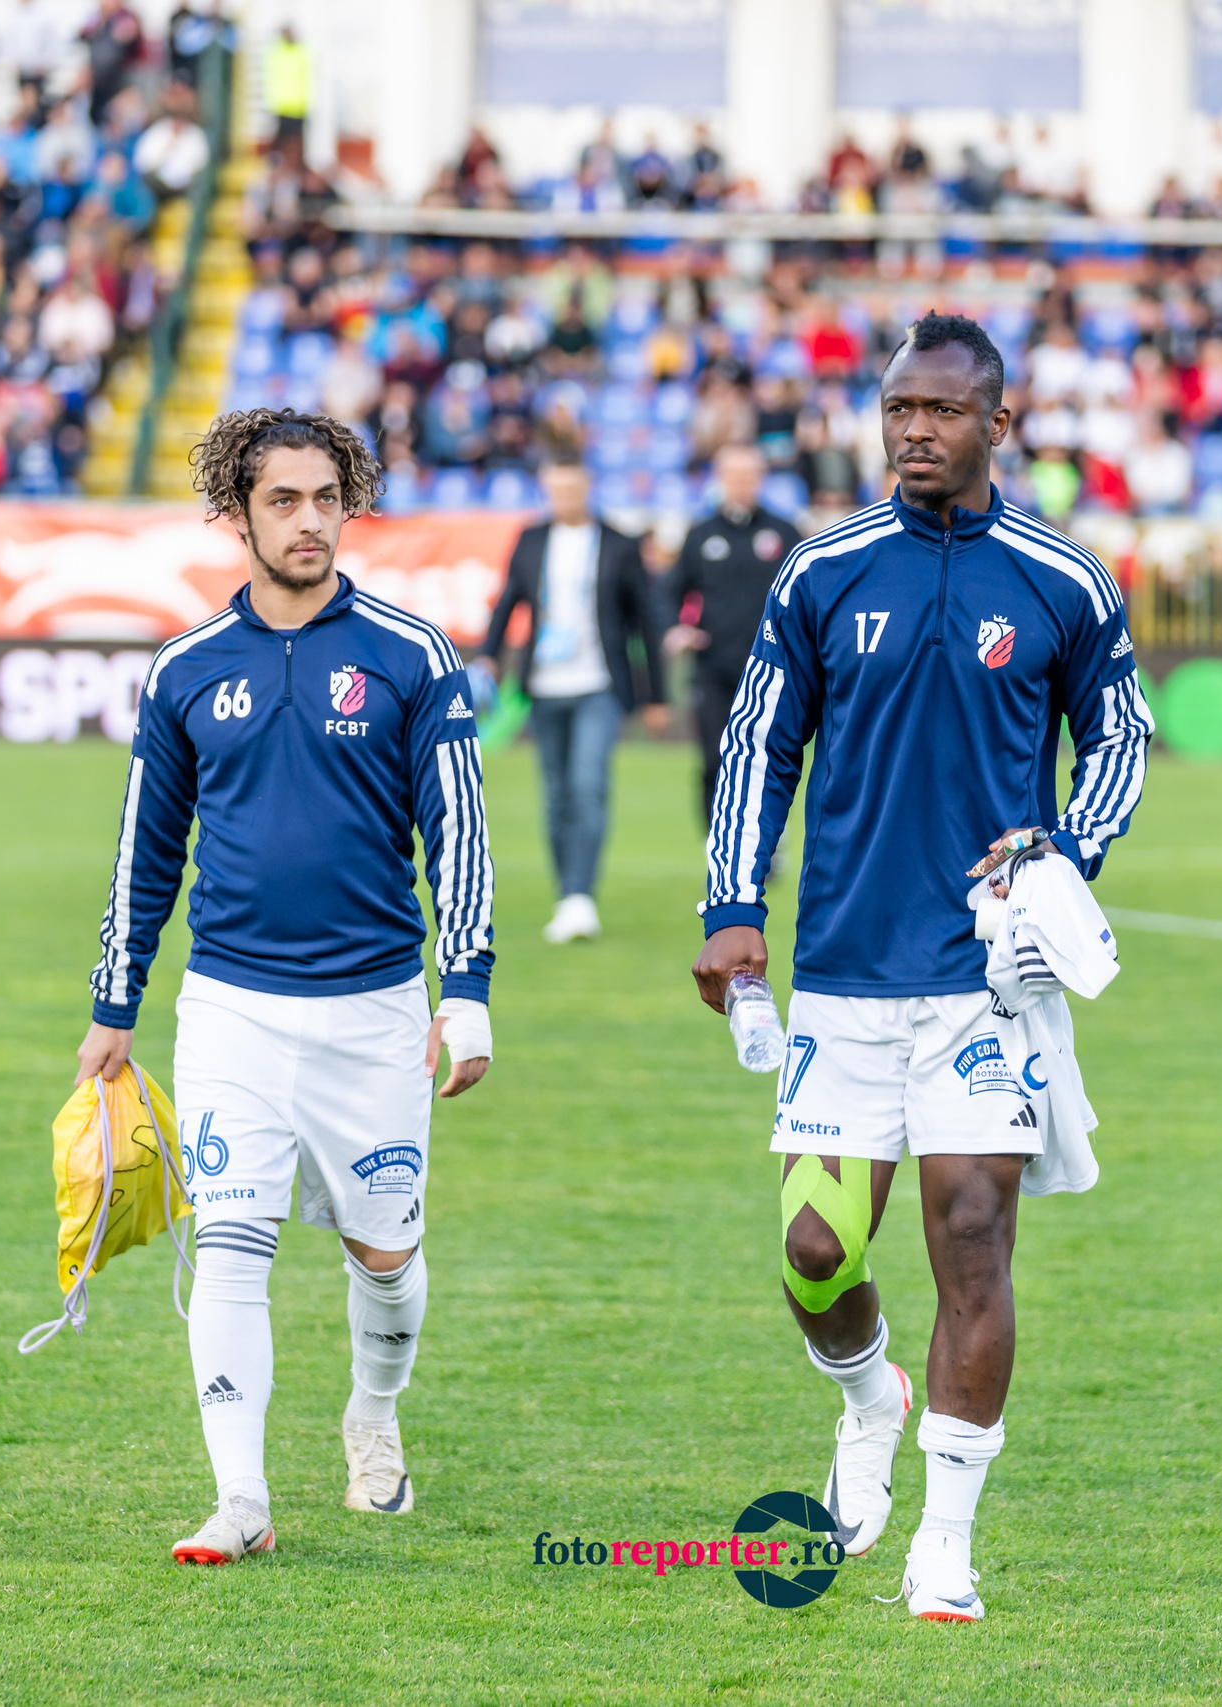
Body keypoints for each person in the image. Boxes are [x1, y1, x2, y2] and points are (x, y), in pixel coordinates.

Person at [691, 315, 1153, 1622]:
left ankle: (944, 1541)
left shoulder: (1063, 578)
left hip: (986, 987)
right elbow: (758, 743)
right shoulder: (824, 569)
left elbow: (1120, 735)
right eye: (898, 408)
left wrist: (1065, 851)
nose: (914, 431)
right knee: (814, 1251)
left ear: (996, 424)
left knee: (972, 1237)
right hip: (842, 975)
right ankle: (866, 1398)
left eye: (941, 411)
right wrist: (733, 905)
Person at [75, 409, 496, 1565]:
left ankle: (374, 1413)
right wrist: (115, 1006)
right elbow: (146, 850)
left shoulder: (412, 655)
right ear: (237, 515)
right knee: (230, 1243)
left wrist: (466, 990)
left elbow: (458, 833)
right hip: (232, 1009)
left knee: (385, 1259)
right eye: (283, 501)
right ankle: (241, 1499)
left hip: (375, 1012)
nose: (309, 521)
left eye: (326, 498)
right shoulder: (185, 668)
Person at [473, 457, 666, 945]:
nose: (564, 498)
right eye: (555, 490)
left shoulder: (618, 543)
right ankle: (567, 894)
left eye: (571, 489)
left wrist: (656, 695)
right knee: (556, 797)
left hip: (599, 684)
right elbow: (509, 600)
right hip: (544, 686)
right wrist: (490, 655)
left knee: (587, 785)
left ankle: (581, 896)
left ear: (587, 488)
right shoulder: (531, 539)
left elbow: (645, 620)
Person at [666, 444, 799, 819]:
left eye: (749, 476)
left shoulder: (784, 533)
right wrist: (678, 628)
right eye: (734, 476)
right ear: (720, 480)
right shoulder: (700, 535)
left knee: (767, 757)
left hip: (771, 668)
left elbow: (808, 595)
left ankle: (766, 838)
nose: (742, 483)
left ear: (761, 479)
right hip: (713, 667)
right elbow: (669, 591)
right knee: (714, 757)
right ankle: (717, 841)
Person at [264, 24, 308, 162]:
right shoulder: (278, 53)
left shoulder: (301, 52)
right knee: (281, 139)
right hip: (282, 105)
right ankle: (276, 163)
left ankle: (297, 164)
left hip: (298, 105)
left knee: (297, 139)